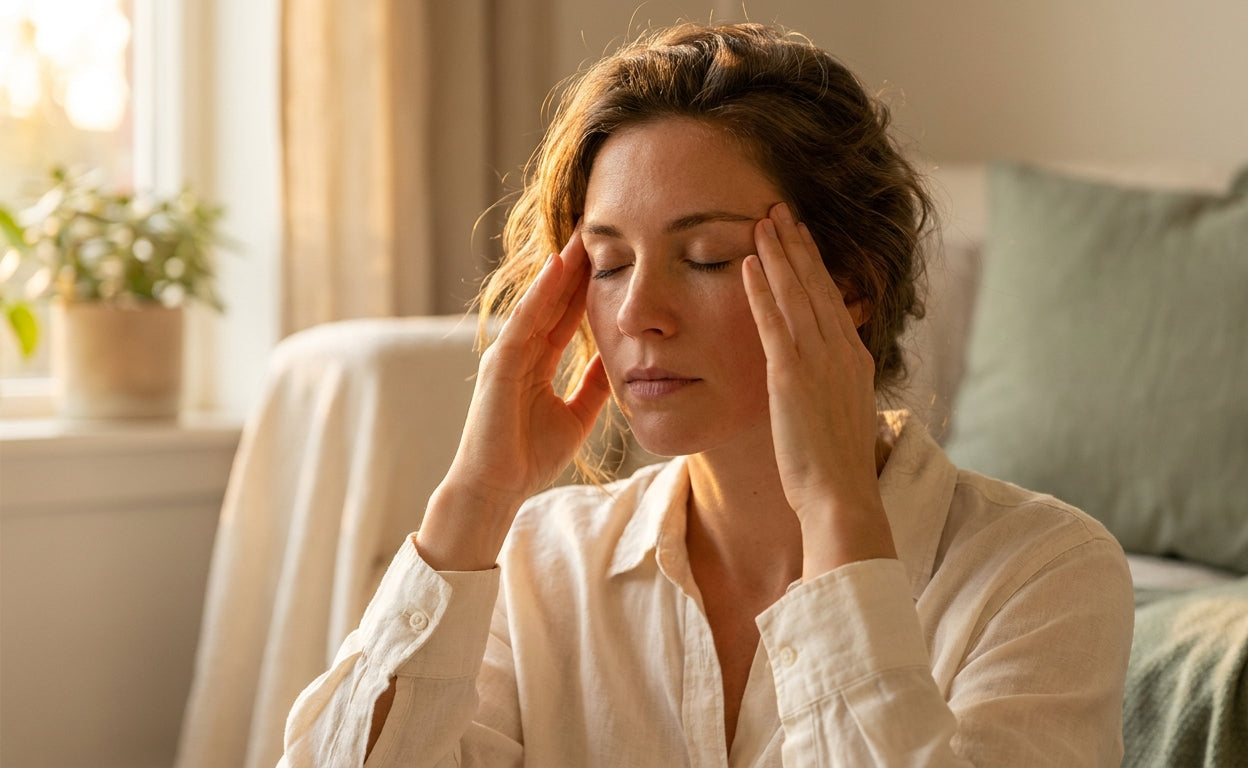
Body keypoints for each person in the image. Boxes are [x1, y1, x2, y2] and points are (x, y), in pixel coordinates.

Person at [280, 21, 1134, 767]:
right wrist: (474, 501)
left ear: (849, 284)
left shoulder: (1040, 573)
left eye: (707, 260)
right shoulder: (542, 562)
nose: (639, 314)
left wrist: (839, 517)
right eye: (609, 265)